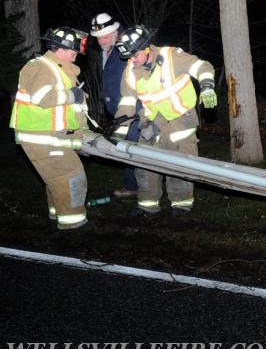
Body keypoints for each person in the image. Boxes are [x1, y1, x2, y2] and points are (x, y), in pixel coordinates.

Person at [112, 25, 218, 217]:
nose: (131, 61)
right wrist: (119, 131)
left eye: (134, 55)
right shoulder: (130, 69)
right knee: (145, 166)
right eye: (128, 57)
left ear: (146, 48)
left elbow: (202, 67)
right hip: (150, 124)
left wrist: (207, 86)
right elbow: (127, 103)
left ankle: (181, 205)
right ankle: (147, 205)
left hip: (180, 122)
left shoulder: (172, 57)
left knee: (180, 166)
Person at [9, 27, 91, 229]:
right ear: (60, 47)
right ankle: (74, 225)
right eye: (74, 49)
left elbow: (71, 111)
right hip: (41, 137)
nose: (77, 53)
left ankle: (58, 217)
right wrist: (73, 95)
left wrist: (80, 134)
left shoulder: (62, 69)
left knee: (57, 178)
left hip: (51, 137)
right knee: (71, 175)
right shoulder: (40, 67)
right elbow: (43, 98)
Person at [90, 12, 139, 198]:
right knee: (127, 147)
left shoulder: (126, 49)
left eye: (104, 37)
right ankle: (135, 185)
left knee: (131, 148)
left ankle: (135, 187)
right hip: (118, 111)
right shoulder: (106, 51)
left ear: (115, 33)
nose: (100, 41)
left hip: (131, 110)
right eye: (98, 38)